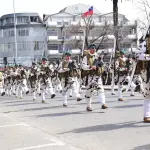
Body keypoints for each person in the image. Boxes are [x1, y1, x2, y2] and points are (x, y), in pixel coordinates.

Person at [81, 44, 108, 111]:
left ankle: (103, 104)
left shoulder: (97, 56)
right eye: (92, 48)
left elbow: (102, 64)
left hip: (97, 76)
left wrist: (101, 64)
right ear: (89, 49)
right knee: (89, 92)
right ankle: (88, 106)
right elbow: (83, 66)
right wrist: (90, 67)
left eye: (94, 48)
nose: (94, 49)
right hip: (89, 76)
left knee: (100, 90)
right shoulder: (86, 57)